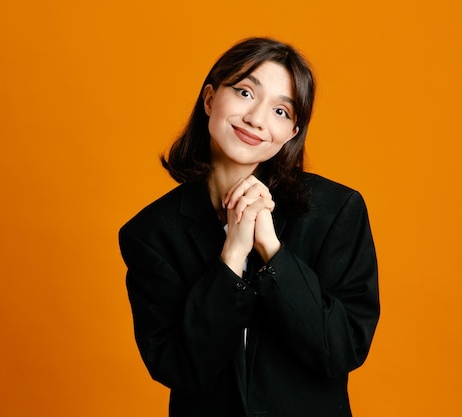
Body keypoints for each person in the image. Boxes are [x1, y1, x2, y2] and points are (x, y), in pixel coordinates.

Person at [119, 37, 380, 417]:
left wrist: (273, 252)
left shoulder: (337, 210)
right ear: (209, 99)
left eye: (280, 111)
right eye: (244, 92)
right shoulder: (151, 234)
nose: (257, 118)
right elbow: (179, 368)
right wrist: (231, 258)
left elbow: (341, 349)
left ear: (291, 133)